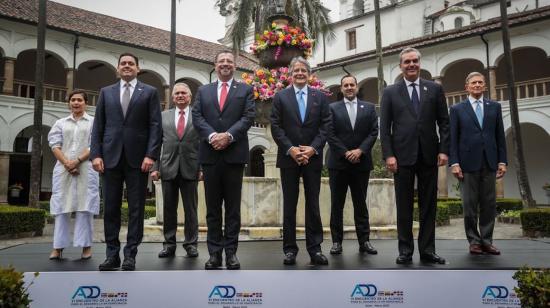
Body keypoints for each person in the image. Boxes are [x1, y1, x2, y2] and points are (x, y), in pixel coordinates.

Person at [90, 52, 162, 271]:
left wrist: (151, 155)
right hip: (109, 158)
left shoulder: (149, 92)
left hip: (138, 160)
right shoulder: (106, 92)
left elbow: (155, 126)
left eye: (131, 63)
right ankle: (112, 254)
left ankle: (130, 254)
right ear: (117, 68)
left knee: (136, 209)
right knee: (110, 208)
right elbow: (98, 127)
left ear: (138, 68)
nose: (127, 66)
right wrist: (96, 155)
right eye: (123, 64)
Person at [380, 47, 450, 265]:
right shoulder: (390, 92)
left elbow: (444, 123)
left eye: (414, 61)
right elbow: (385, 127)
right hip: (402, 157)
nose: (411, 65)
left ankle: (428, 250)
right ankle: (405, 251)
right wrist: (389, 155)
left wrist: (444, 149)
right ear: (400, 66)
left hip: (429, 155)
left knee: (429, 205)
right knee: (404, 205)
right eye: (407, 62)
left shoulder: (434, 89)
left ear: (420, 64)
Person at [192, 50, 255, 270]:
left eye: (229, 61)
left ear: (235, 66)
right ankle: (214, 254)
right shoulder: (203, 90)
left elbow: (248, 117)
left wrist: (228, 136)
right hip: (210, 157)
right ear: (215, 65)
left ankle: (231, 253)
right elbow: (197, 117)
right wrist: (212, 136)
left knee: (233, 209)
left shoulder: (246, 90)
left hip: (234, 156)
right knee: (212, 209)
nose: (225, 64)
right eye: (221, 61)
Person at [271, 56, 331, 266]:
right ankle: (289, 250)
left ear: (309, 74)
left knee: (313, 205)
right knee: (290, 204)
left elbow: (326, 126)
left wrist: (313, 149)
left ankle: (315, 249)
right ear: (290, 74)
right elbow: (276, 126)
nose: (299, 73)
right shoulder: (280, 97)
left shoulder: (320, 97)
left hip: (312, 159)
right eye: (296, 70)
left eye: (303, 70)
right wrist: (291, 149)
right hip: (289, 158)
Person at [449, 72, 507, 255]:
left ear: (485, 86)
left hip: (489, 162)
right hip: (466, 164)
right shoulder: (457, 109)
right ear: (466, 87)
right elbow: (453, 138)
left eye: (480, 82)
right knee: (469, 206)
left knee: (489, 205)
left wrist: (502, 161)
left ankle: (487, 241)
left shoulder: (494, 107)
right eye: (473, 83)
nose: (477, 85)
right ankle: (474, 241)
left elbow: (500, 136)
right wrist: (454, 162)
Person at [327, 75, 379, 255]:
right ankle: (336, 242)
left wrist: (360, 151)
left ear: (357, 87)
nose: (349, 87)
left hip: (361, 163)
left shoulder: (370, 108)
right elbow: (329, 133)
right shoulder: (332, 108)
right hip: (338, 163)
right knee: (336, 204)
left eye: (352, 84)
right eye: (345, 85)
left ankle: (364, 241)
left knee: (360, 204)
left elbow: (374, 132)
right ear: (341, 89)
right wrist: (345, 152)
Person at [48, 90, 99, 260]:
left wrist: (76, 161)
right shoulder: (60, 123)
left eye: (79, 100)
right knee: (62, 207)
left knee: (85, 207)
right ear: (69, 103)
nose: (76, 103)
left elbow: (95, 145)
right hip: (63, 170)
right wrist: (68, 164)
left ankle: (86, 247)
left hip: (86, 168)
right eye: (73, 100)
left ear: (86, 103)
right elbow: (55, 145)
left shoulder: (93, 122)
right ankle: (58, 247)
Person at [151, 82, 200, 258]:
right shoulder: (163, 116)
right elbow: (156, 143)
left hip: (191, 168)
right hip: (167, 168)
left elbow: (203, 143)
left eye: (183, 93)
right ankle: (169, 245)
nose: (180, 95)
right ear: (172, 97)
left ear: (190, 96)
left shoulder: (198, 115)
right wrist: (155, 168)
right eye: (177, 93)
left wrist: (201, 167)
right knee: (169, 209)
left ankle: (191, 244)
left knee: (191, 210)